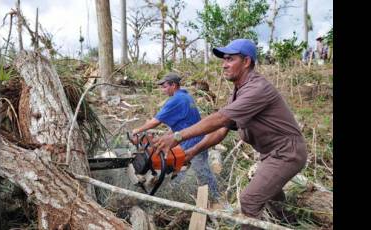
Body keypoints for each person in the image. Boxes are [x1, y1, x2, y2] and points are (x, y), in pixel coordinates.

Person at [153, 39, 308, 229]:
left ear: (246, 62)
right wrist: (191, 152)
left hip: (287, 153)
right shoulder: (238, 92)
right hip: (272, 154)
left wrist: (177, 137)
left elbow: (220, 119)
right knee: (271, 197)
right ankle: (288, 224)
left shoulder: (257, 89)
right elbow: (221, 131)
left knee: (249, 199)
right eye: (223, 60)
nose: (224, 65)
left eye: (230, 59)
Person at [131, 72, 222, 208]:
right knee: (181, 168)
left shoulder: (176, 100)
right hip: (191, 137)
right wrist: (167, 136)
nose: (163, 90)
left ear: (173, 85)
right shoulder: (186, 96)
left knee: (200, 170)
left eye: (165, 86)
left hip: (192, 141)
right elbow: (181, 121)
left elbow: (155, 121)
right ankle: (173, 192)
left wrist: (136, 131)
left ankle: (217, 200)